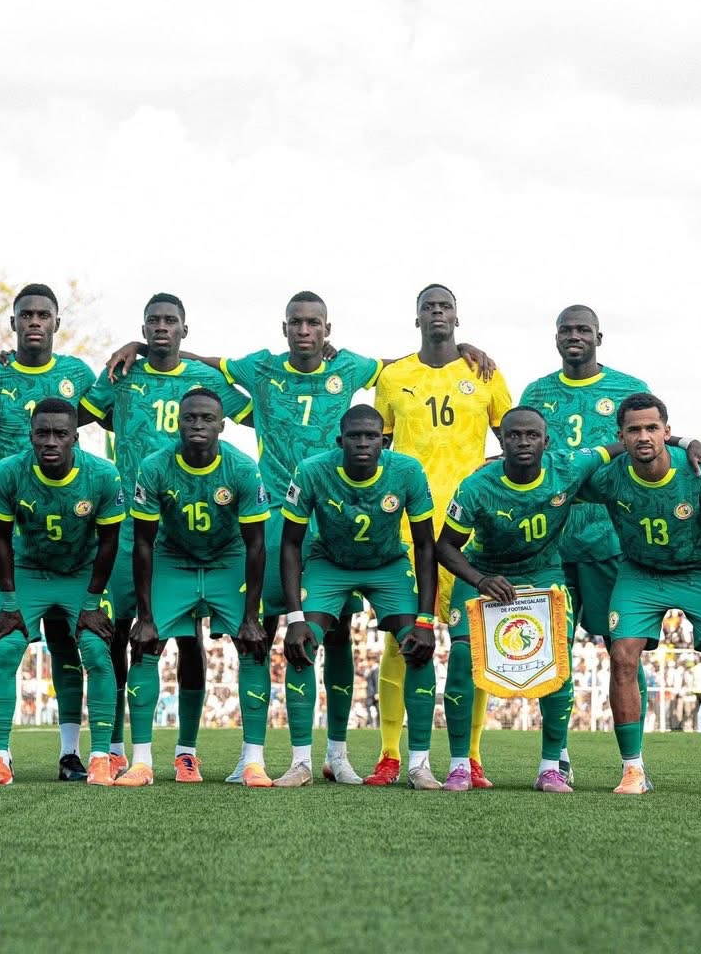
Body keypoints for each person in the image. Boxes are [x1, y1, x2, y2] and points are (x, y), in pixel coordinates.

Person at [107, 289, 492, 782]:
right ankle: (260, 758)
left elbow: (404, 365)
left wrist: (457, 352)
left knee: (338, 639)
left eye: (314, 323)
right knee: (269, 633)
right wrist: (140, 348)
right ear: (284, 327)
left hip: (335, 524)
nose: (305, 330)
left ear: (326, 330)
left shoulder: (350, 368)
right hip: (274, 519)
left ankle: (336, 755)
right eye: (296, 322)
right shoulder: (260, 369)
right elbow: (202, 359)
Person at [80, 292, 252, 782]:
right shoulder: (120, 374)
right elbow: (74, 418)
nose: (161, 327)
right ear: (143, 326)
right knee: (119, 634)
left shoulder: (204, 381)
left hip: (183, 533)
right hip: (128, 523)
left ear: (184, 329)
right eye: (152, 321)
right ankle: (114, 747)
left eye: (170, 321)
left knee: (188, 637)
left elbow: (258, 414)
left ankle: (186, 750)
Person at [370, 283, 509, 788]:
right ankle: (389, 754)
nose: (436, 313)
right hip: (407, 530)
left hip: (468, 532)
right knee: (400, 640)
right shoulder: (394, 376)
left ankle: (469, 756)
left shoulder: (484, 373)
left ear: (457, 316)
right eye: (427, 307)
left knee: (472, 646)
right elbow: (376, 446)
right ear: (416, 319)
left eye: (444, 306)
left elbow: (514, 437)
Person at [435, 407, 616, 792]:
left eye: (532, 435)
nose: (523, 442)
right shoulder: (476, 485)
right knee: (463, 656)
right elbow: (446, 548)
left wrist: (681, 441)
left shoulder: (567, 467)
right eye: (514, 435)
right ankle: (458, 765)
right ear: (500, 441)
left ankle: (551, 766)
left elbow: (619, 447)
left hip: (543, 574)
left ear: (546, 441)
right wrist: (480, 579)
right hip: (485, 573)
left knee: (557, 660)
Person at [579, 392, 701, 795]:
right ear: (620, 435)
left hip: (699, 571)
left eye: (652, 428)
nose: (643, 436)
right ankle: (633, 771)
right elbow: (562, 476)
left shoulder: (699, 470)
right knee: (621, 656)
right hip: (640, 573)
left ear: (667, 432)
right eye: (634, 429)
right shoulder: (609, 475)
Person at [0, 283, 97, 781]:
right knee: (3, 637)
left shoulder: (78, 376)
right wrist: (7, 468)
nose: (35, 322)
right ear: (14, 323)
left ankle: (70, 754)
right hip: (7, 530)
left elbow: (107, 411)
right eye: (27, 315)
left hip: (68, 532)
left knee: (68, 642)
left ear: (57, 323)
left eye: (45, 314)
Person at [520, 303, 651, 782]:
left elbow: (650, 447)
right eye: (565, 330)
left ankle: (632, 761)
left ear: (600, 336)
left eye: (583, 330)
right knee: (552, 652)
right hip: (549, 543)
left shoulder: (627, 389)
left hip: (607, 538)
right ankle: (558, 757)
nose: (574, 336)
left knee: (623, 650)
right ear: (555, 338)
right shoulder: (537, 392)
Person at [278, 405, 441, 788]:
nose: (364, 443)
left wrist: (426, 620)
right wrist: (294, 618)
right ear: (341, 441)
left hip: (387, 564)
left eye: (372, 436)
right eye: (355, 436)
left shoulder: (407, 471)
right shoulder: (312, 470)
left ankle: (419, 764)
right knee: (301, 645)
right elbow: (290, 543)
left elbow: (425, 545)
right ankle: (304, 761)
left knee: (417, 646)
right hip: (330, 562)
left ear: (384, 441)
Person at [119, 388, 270, 787]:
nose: (198, 424)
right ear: (178, 422)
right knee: (147, 644)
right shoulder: (155, 466)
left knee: (253, 645)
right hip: (174, 559)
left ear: (222, 424)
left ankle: (252, 762)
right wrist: (145, 615)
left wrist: (251, 616)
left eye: (207, 419)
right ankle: (142, 762)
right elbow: (143, 543)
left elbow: (256, 544)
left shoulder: (241, 467)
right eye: (190, 418)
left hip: (227, 558)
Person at [0, 399, 124, 786]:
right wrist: (7, 601)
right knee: (4, 648)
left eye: (60, 434)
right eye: (42, 433)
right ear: (31, 436)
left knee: (95, 650)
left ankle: (100, 757)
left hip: (81, 574)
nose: (50, 441)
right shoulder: (8, 472)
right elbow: (0, 539)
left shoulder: (103, 475)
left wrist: (91, 603)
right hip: (30, 571)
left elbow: (109, 543)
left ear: (75, 437)